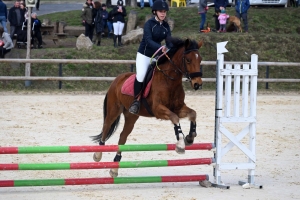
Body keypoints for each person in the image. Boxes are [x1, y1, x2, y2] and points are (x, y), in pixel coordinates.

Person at [128, 0, 172, 114]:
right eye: (160, 11)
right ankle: (136, 101)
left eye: (164, 12)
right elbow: (148, 40)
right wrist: (160, 48)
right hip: (144, 54)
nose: (163, 14)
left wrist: (170, 48)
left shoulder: (166, 26)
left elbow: (169, 41)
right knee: (141, 75)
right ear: (155, 12)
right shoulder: (149, 24)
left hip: (157, 55)